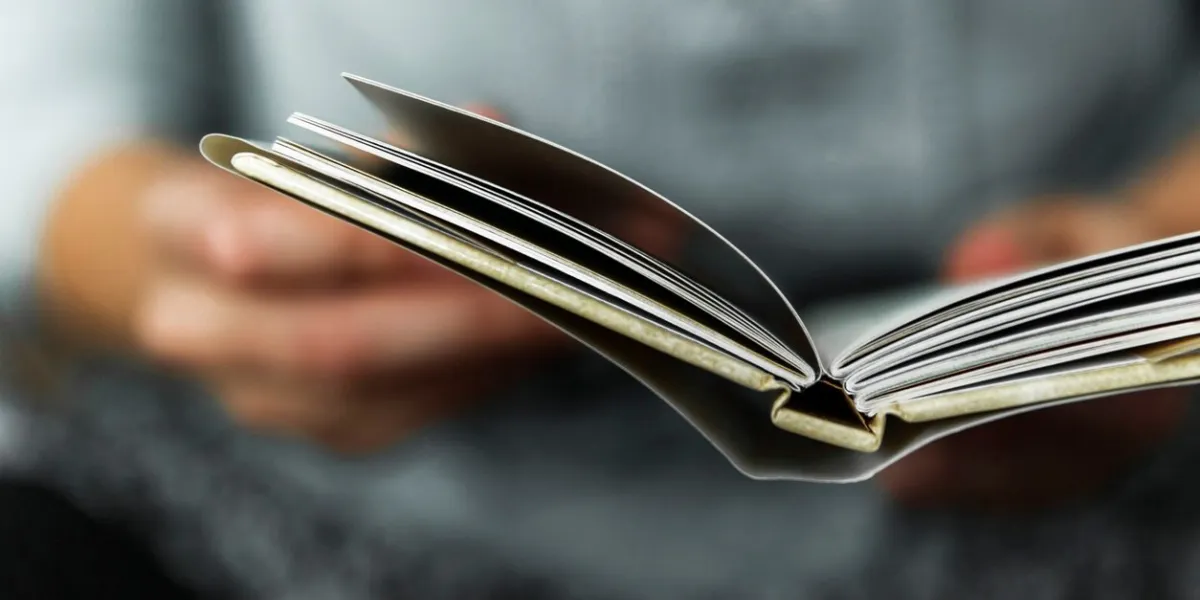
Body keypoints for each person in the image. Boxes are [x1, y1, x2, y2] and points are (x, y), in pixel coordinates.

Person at [3, 0, 1198, 597]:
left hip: (1095, 510)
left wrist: (1154, 257)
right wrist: (185, 255)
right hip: (264, 512)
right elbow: (45, 101)